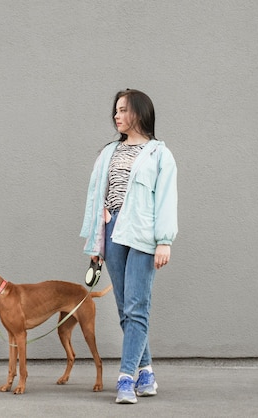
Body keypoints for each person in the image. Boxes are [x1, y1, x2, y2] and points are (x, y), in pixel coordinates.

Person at [80, 89, 178, 404]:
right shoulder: (109, 151)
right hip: (113, 231)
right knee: (126, 309)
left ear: (139, 112)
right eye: (116, 110)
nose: (117, 116)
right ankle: (146, 371)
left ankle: (125, 378)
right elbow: (98, 195)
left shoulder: (159, 154)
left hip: (144, 232)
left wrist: (164, 240)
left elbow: (165, 199)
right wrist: (98, 235)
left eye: (123, 110)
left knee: (138, 306)